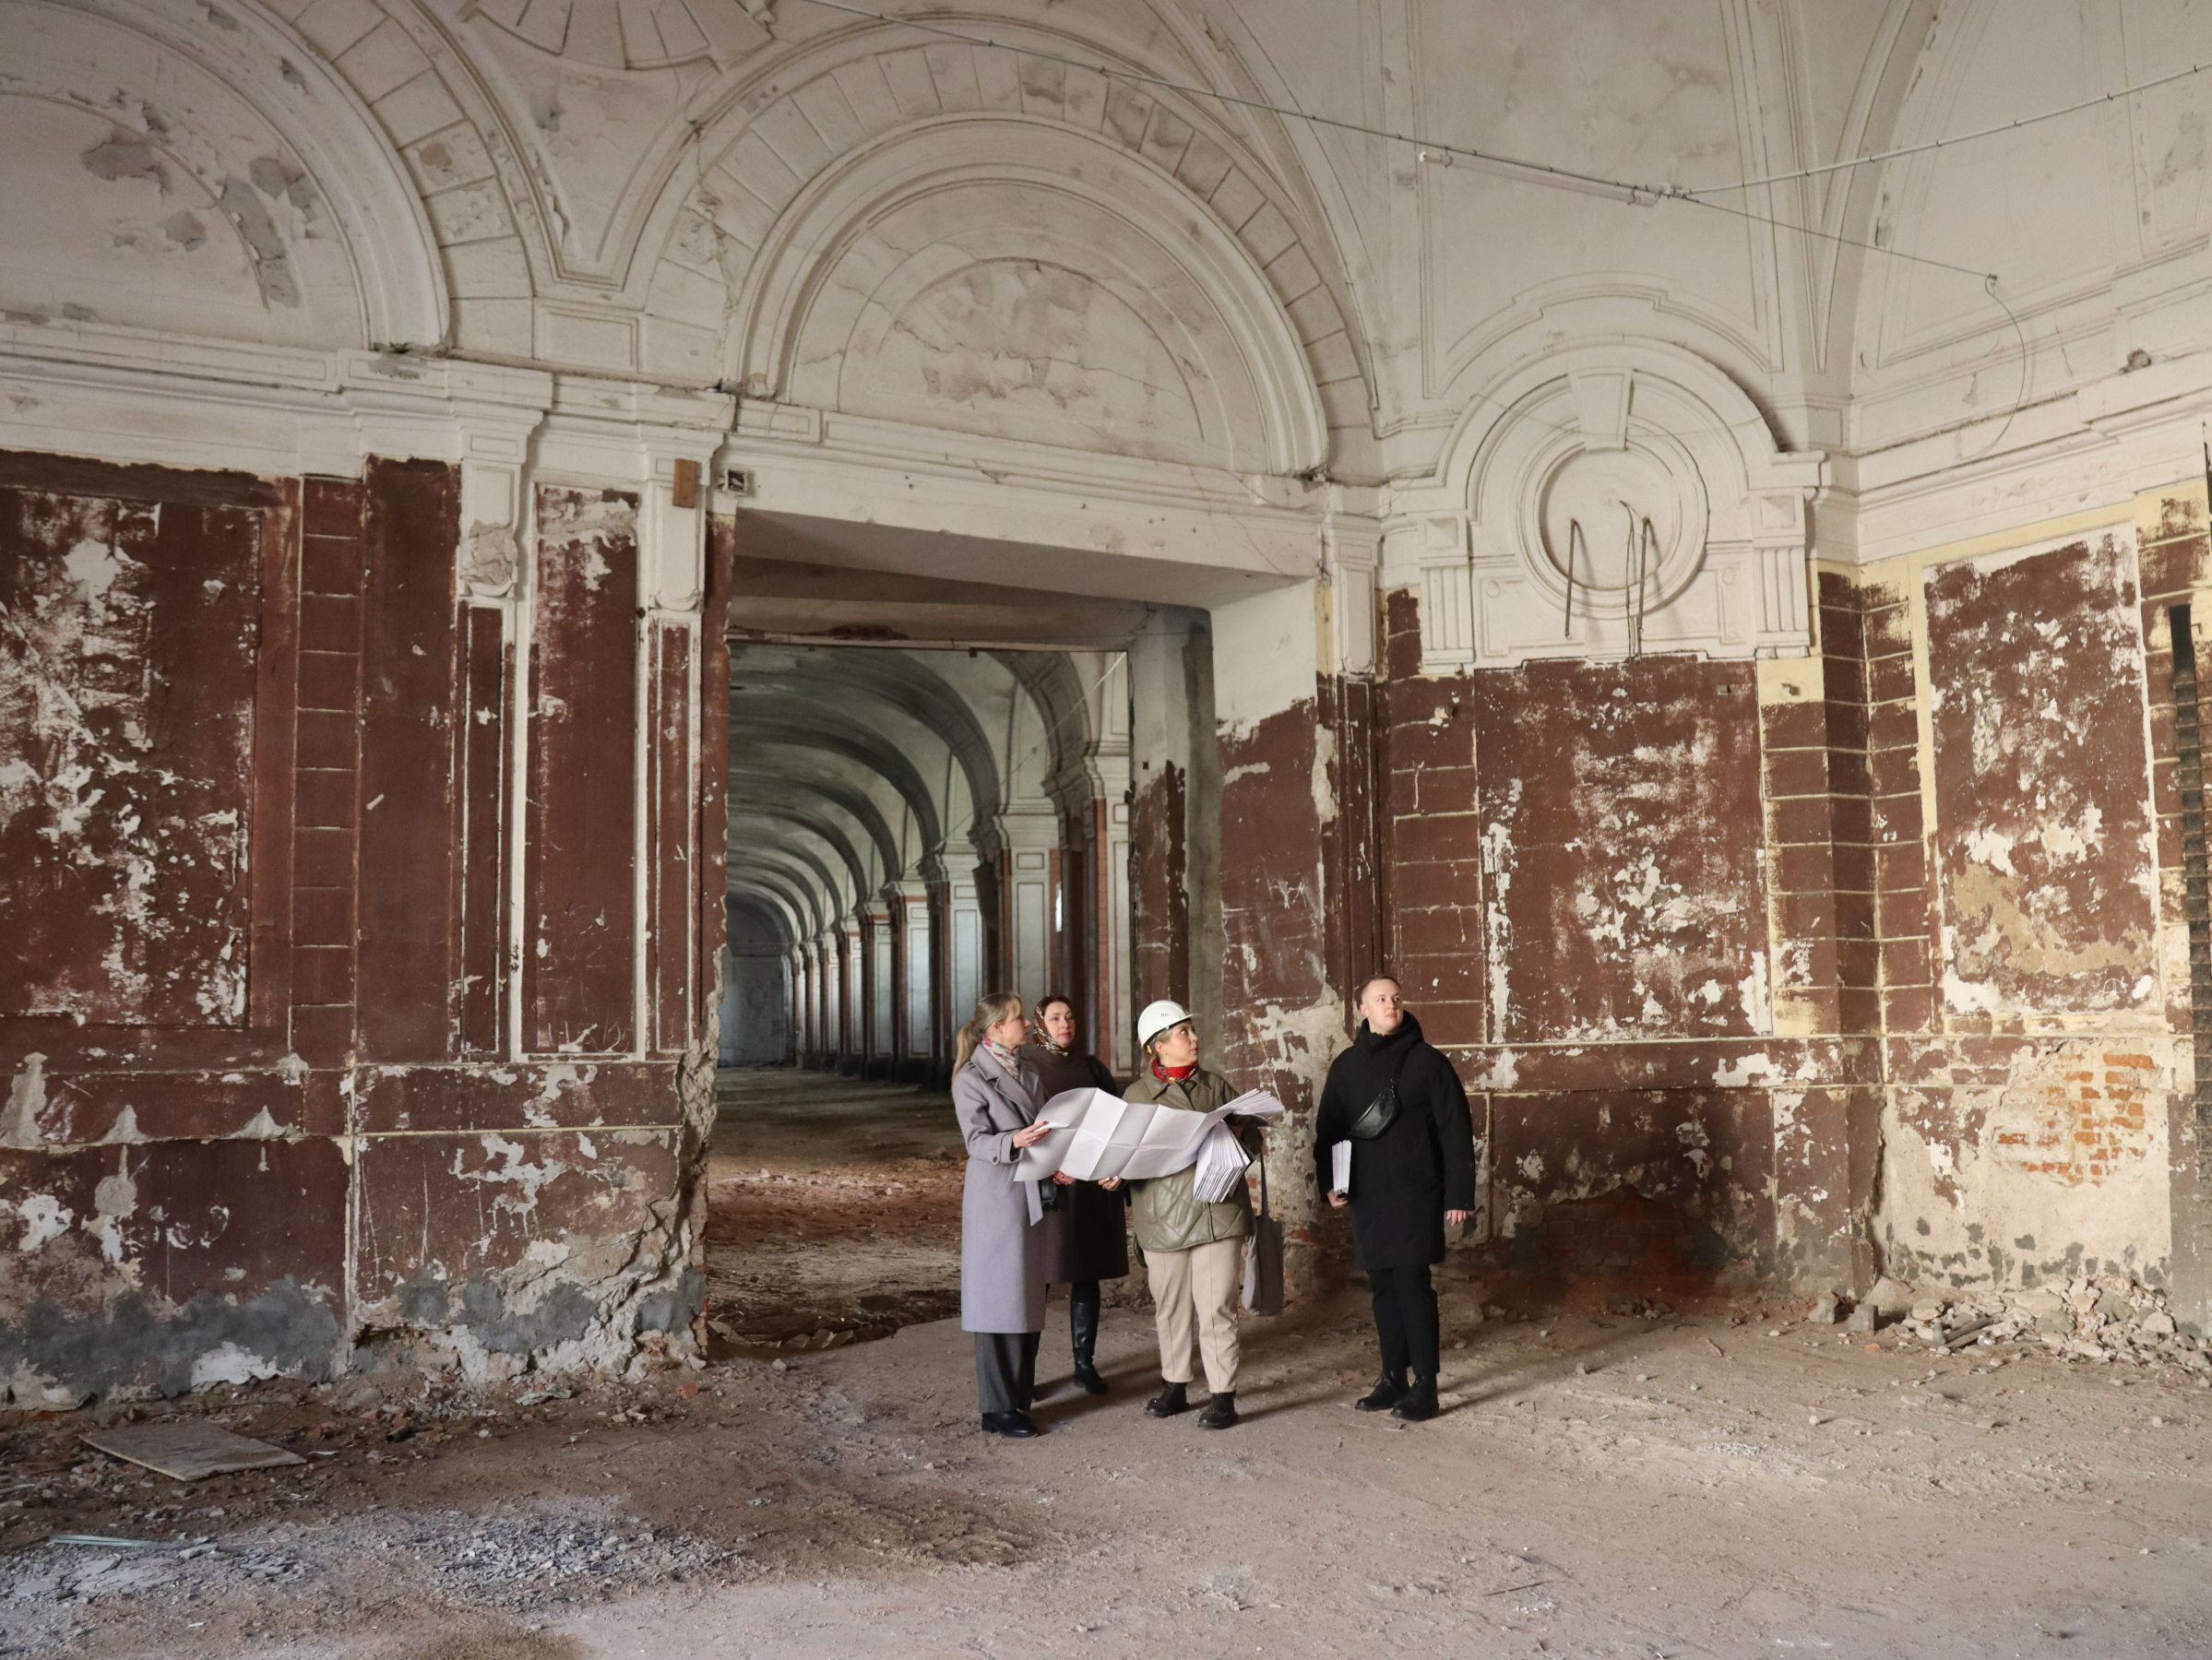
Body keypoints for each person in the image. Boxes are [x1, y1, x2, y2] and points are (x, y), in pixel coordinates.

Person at [1313, 976, 1475, 1422]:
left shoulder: (1428, 1062)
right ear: (1363, 1009)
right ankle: (1392, 1378)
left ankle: (1426, 1385)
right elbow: (1329, 1131)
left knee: (1412, 1282)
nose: (1391, 1005)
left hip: (1416, 1192)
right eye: (1381, 999)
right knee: (1382, 1285)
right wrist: (1330, 1183)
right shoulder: (1346, 1066)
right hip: (1367, 1193)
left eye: (1396, 998)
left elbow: (1456, 1130)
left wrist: (1458, 1194)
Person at [1123, 999, 1261, 1430]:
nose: (1195, 1038)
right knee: (1171, 1306)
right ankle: (1175, 1385)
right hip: (1161, 1216)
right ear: (1159, 1046)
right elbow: (1123, 1158)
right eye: (1184, 1032)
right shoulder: (1135, 1098)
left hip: (1218, 1211)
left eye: (1191, 1030)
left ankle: (1223, 1395)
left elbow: (1252, 1147)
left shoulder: (1216, 1087)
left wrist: (1238, 1134)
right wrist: (1114, 1175)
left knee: (1218, 1306)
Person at [951, 990, 1057, 1438]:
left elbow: (1046, 1130)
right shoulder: (971, 1077)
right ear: (995, 1028)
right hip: (997, 1196)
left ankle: (1018, 1396)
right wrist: (1013, 1141)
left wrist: (1057, 1163)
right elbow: (975, 1141)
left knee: (1026, 1296)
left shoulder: (1028, 1070)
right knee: (997, 1303)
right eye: (1019, 1018)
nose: (1028, 1024)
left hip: (1030, 1190)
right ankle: (996, 1408)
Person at [1020, 993, 1128, 1394]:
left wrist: (1112, 1167)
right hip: (1051, 1188)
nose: (1064, 1024)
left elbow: (1117, 1124)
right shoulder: (1028, 1070)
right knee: (1040, 1280)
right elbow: (1023, 1128)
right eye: (1055, 1018)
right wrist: (1049, 1166)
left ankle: (1084, 1364)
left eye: (1069, 1016)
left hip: (1090, 1187)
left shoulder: (1093, 1068)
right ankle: (1025, 1373)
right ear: (1039, 1024)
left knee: (1086, 1274)